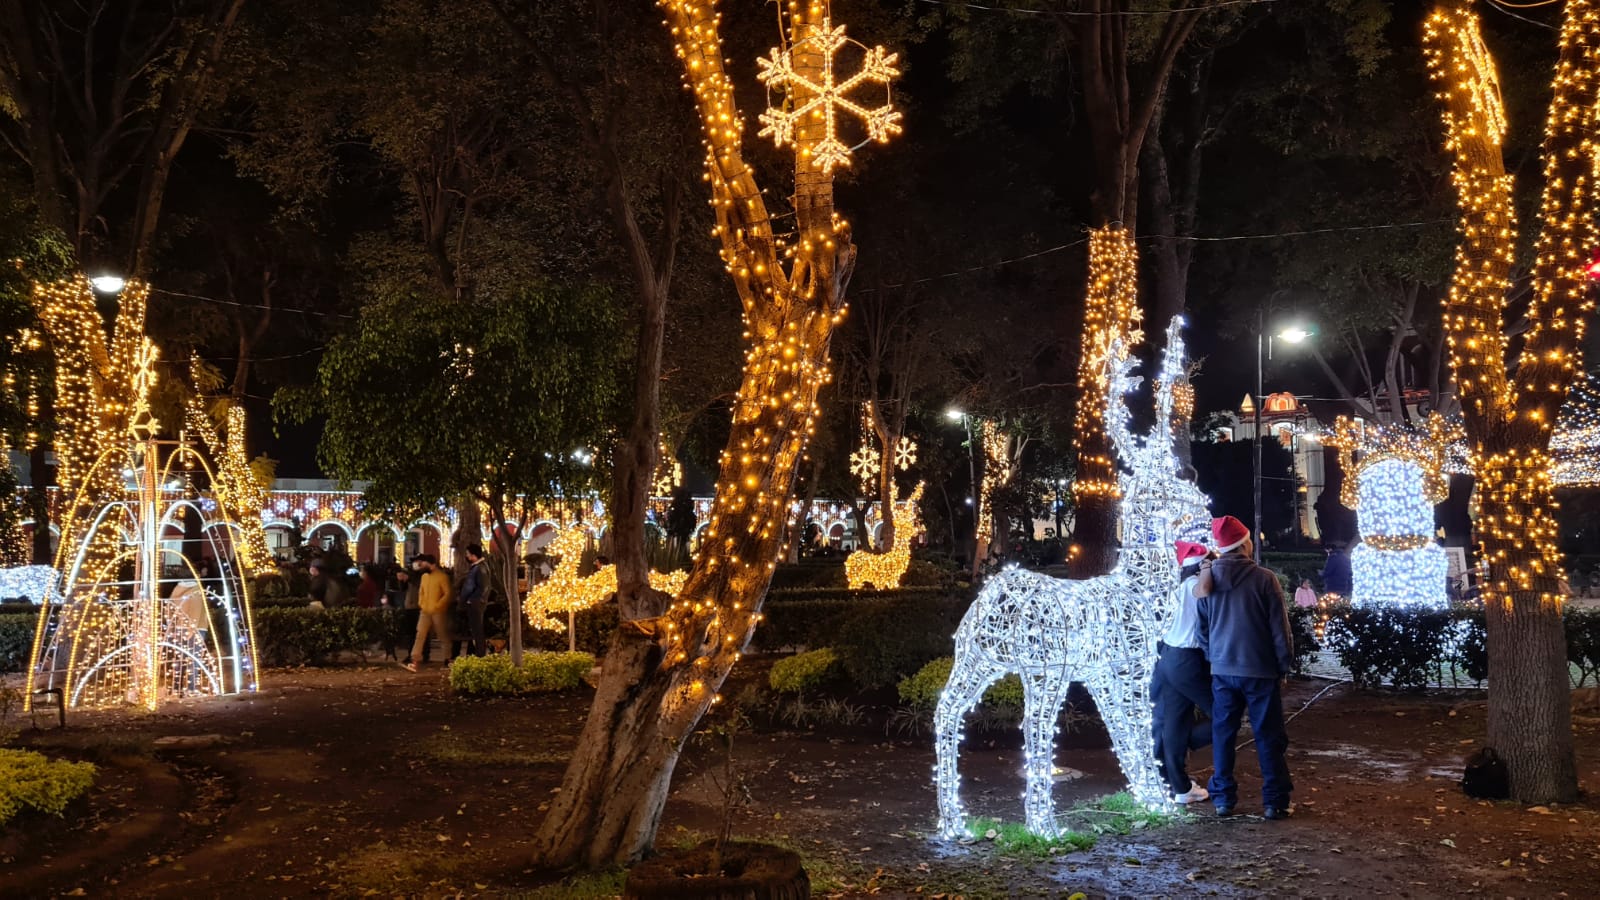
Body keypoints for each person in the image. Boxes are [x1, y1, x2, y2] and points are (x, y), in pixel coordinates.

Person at [1196, 515, 1294, 820]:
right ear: (1245, 543)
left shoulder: (1207, 580)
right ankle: (1275, 802)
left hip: (1223, 672)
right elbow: (1280, 630)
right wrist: (1284, 665)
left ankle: (1224, 799)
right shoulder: (1265, 579)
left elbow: (1202, 631)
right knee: (1268, 735)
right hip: (1260, 670)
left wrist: (1216, 658)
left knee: (1224, 734)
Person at [1152, 540, 1215, 804]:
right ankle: (1188, 740)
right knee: (1226, 713)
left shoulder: (1174, 588)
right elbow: (1204, 591)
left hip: (1167, 657)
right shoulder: (1192, 586)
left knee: (1175, 720)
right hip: (1187, 660)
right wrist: (1208, 569)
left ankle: (1180, 787)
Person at [404, 555, 453, 672]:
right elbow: (421, 592)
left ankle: (448, 659)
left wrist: (438, 605)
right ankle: (414, 661)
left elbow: (447, 594)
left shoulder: (442, 577)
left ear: (431, 564)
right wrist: (421, 603)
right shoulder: (424, 577)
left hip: (438, 612)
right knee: (420, 634)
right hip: (425, 611)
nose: (421, 566)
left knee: (442, 635)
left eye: (424, 564)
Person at [459, 544, 489, 657]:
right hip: (479, 602)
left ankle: (479, 654)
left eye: (468, 554)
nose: (466, 557)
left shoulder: (477, 569)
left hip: (474, 603)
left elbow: (468, 587)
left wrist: (464, 600)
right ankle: (477, 653)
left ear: (473, 555)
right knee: (477, 629)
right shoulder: (484, 566)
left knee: (477, 630)